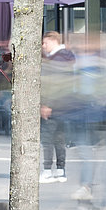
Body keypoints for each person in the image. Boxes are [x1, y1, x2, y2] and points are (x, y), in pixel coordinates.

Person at [40, 32, 75, 183]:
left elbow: (53, 84)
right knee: (59, 139)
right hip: (64, 104)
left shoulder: (56, 59)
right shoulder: (67, 57)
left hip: (53, 105)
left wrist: (47, 104)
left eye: (45, 43)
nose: (43, 46)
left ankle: (47, 170)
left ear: (53, 41)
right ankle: (60, 170)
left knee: (47, 138)